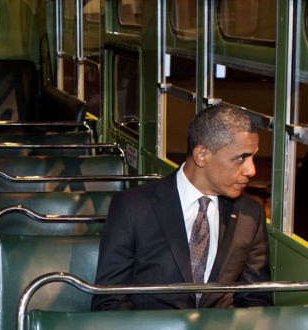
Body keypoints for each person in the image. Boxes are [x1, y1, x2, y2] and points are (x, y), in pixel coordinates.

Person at [93, 103, 272, 310]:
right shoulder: (133, 207)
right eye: (241, 158)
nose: (252, 170)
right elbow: (109, 299)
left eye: (253, 157)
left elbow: (256, 300)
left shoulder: (250, 214)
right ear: (202, 155)